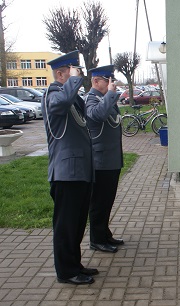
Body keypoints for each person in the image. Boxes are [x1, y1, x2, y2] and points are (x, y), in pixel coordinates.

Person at [42, 50, 98, 285]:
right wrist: (74, 81)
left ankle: (75, 264)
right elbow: (60, 104)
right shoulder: (52, 94)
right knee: (66, 226)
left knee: (76, 223)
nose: (78, 75)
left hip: (80, 171)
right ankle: (66, 271)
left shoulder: (72, 97)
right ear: (60, 73)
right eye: (72, 71)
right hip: (66, 173)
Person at [85, 65, 124, 253]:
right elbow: (97, 115)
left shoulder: (104, 99)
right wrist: (110, 94)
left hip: (111, 159)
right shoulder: (91, 99)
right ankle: (97, 239)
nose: (111, 84)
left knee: (107, 200)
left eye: (111, 80)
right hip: (100, 161)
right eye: (107, 80)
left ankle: (105, 233)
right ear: (95, 81)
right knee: (99, 202)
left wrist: (109, 96)